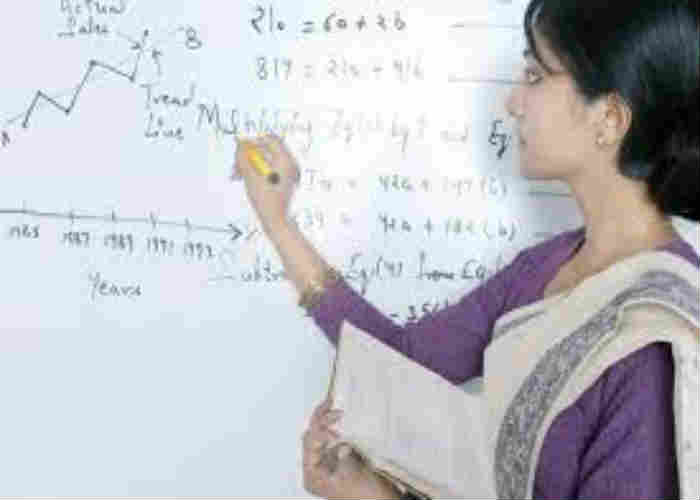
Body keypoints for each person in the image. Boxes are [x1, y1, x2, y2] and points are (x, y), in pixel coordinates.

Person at [234, 0, 700, 498]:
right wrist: (278, 222)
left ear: (608, 118)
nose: (513, 102)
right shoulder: (547, 266)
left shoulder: (655, 343)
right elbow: (401, 361)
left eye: (535, 76)